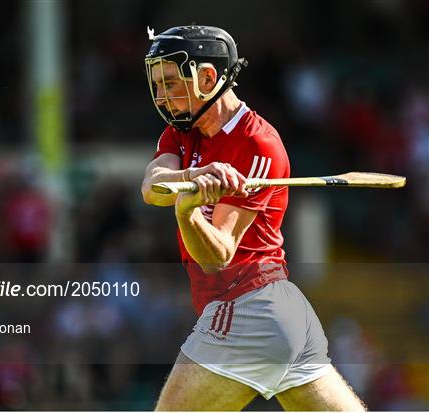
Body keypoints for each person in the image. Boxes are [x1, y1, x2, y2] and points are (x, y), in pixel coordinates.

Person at [141, 25, 366, 411]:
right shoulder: (182, 133)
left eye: (171, 83)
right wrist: (193, 177)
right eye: (157, 84)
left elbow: (217, 256)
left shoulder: (257, 144)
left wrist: (188, 211)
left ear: (207, 78)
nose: (162, 96)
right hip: (278, 313)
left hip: (247, 308)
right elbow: (152, 187)